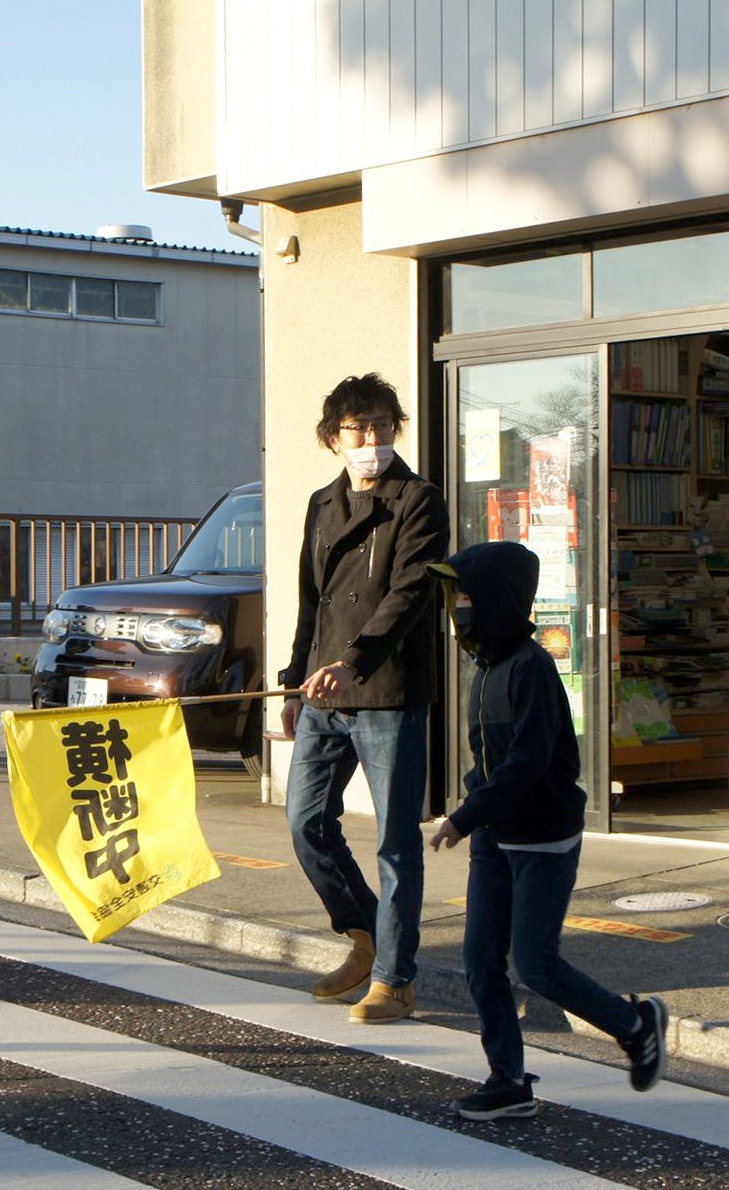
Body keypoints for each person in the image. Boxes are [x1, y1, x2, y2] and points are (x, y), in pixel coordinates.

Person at [426, 541, 668, 1120]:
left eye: (467, 596)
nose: (458, 607)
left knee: (535, 964)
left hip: (541, 836)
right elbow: (488, 761)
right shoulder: (486, 666)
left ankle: (634, 1024)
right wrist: (471, 812)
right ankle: (508, 1080)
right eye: (456, 597)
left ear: (497, 600)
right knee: (480, 960)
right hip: (495, 835)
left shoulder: (531, 667)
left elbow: (527, 762)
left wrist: (463, 817)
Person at [278, 372, 449, 1025]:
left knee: (395, 842)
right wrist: (294, 682)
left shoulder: (418, 499)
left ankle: (395, 980)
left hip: (389, 691)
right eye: (357, 428)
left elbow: (410, 594)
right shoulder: (321, 503)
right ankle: (365, 935)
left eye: (380, 424)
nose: (371, 438)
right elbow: (311, 601)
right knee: (306, 822)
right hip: (321, 692)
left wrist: (354, 662)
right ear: (334, 437)